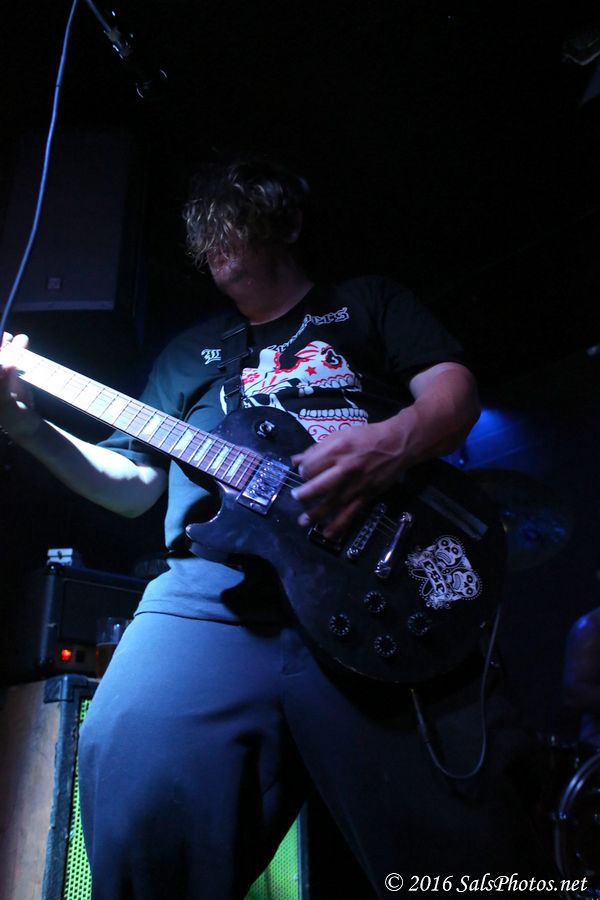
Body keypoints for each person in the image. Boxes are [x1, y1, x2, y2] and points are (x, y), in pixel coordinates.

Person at [0, 158, 551, 899]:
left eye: (240, 228)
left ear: (287, 224)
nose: (222, 249)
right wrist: (27, 429)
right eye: (209, 238)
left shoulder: (367, 303)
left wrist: (390, 443)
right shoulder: (189, 356)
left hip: (377, 577)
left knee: (469, 848)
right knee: (131, 755)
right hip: (217, 595)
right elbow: (133, 488)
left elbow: (453, 394)